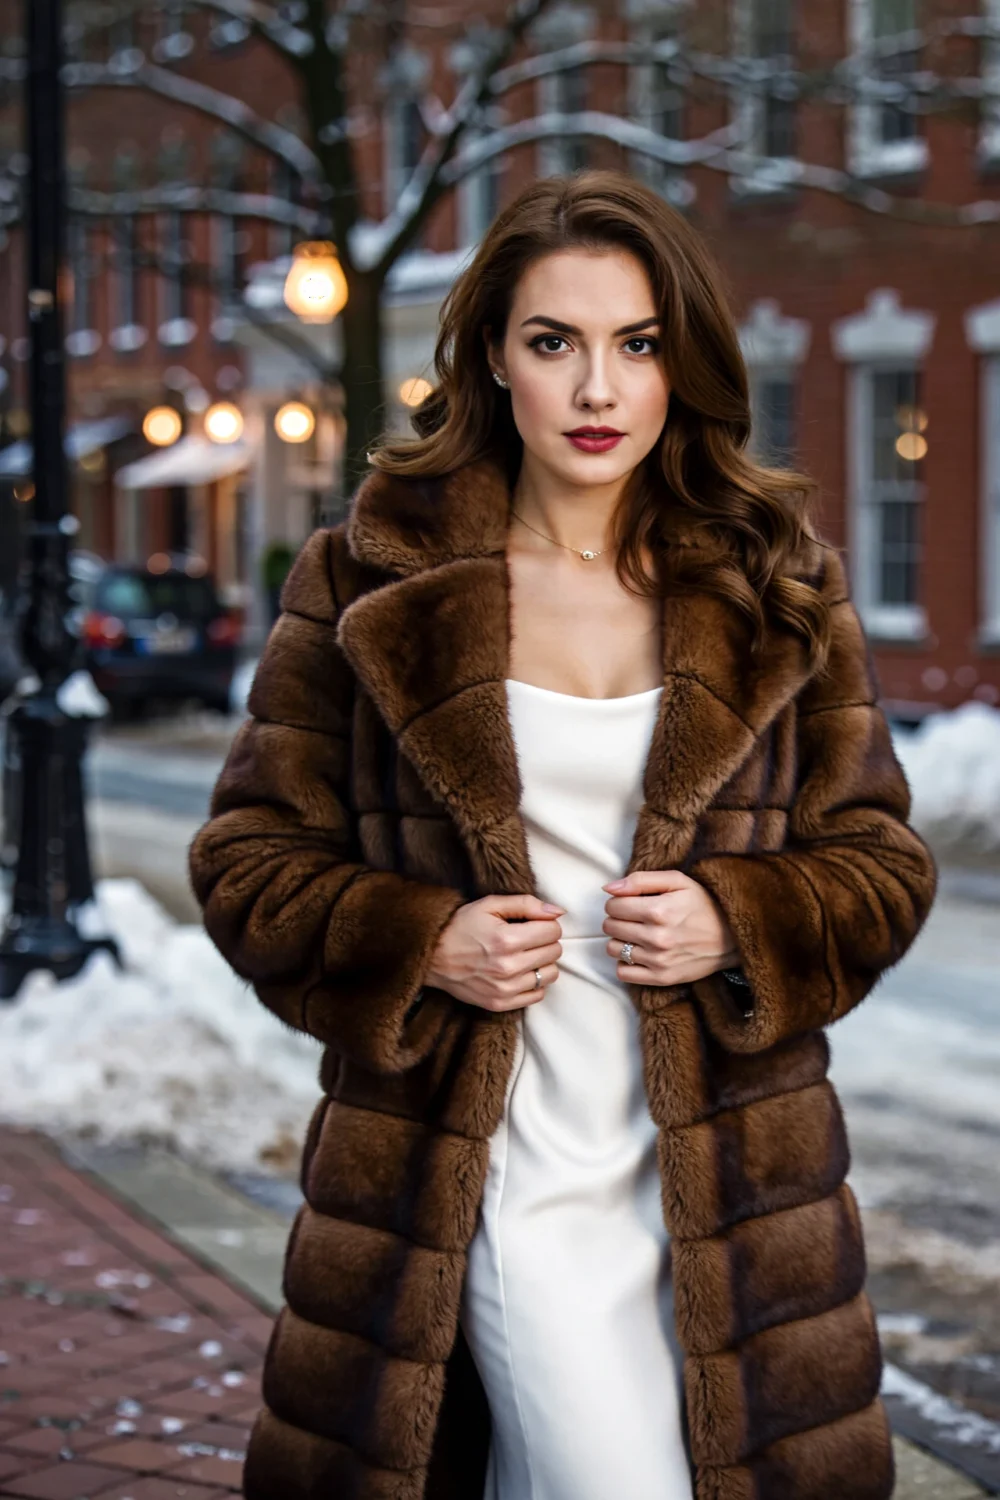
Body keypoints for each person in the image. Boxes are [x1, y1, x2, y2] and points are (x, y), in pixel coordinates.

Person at [189, 169, 936, 1500]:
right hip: (480, 1175)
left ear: (680, 364)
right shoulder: (373, 578)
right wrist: (425, 943)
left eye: (637, 345)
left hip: (726, 1184)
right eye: (556, 343)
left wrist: (740, 920)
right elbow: (248, 860)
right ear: (493, 356)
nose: (599, 391)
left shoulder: (773, 580)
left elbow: (880, 865)